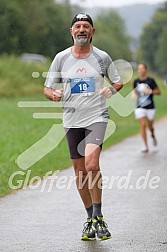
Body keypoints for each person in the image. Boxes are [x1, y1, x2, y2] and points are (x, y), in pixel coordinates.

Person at [44, 13, 123, 241]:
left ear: (92, 31)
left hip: (96, 117)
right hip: (71, 120)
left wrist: (111, 90)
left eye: (86, 26)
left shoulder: (101, 57)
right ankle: (90, 219)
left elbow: (117, 80)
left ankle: (99, 214)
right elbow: (47, 88)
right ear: (71, 31)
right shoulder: (61, 58)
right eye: (77, 26)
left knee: (91, 164)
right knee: (79, 173)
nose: (81, 29)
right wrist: (54, 94)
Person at [133, 63, 161, 152]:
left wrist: (149, 91)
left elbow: (158, 92)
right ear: (137, 70)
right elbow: (134, 92)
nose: (141, 70)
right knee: (143, 125)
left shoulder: (151, 80)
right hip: (139, 106)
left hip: (150, 107)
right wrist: (133, 95)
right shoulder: (135, 81)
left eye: (142, 68)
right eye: (139, 69)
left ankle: (152, 134)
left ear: (146, 70)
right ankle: (145, 146)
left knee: (150, 126)